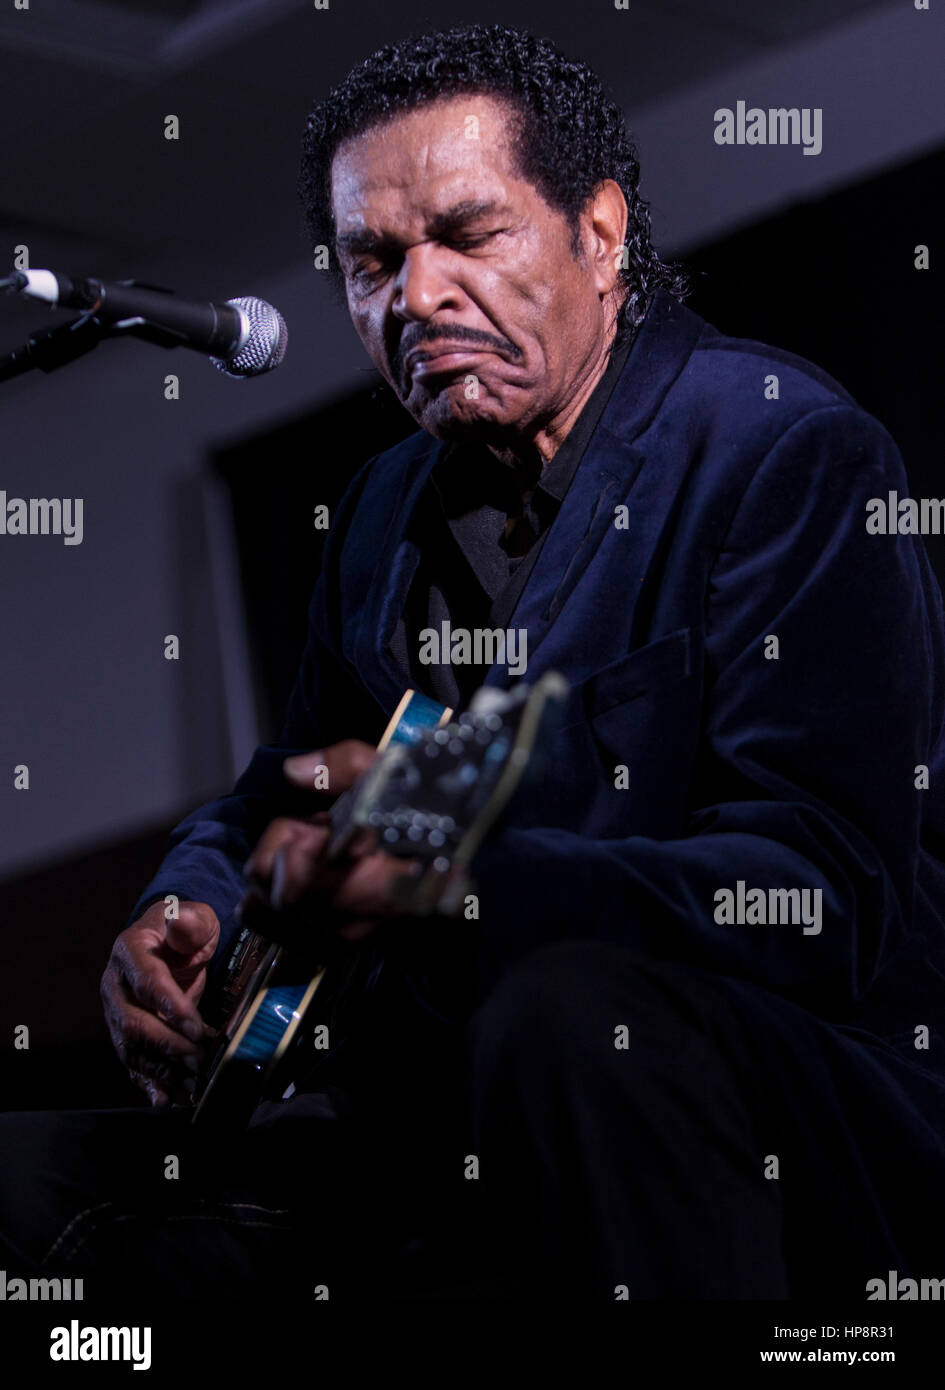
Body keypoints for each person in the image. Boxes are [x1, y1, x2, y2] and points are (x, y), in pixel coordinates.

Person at [2, 23, 945, 1302]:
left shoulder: (784, 452)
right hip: (433, 1123)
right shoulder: (381, 514)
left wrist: (464, 882)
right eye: (373, 262)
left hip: (746, 1102)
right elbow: (281, 795)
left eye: (468, 235)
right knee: (29, 1181)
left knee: (566, 1020)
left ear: (601, 235)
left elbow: (817, 895)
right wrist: (191, 906)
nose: (417, 295)